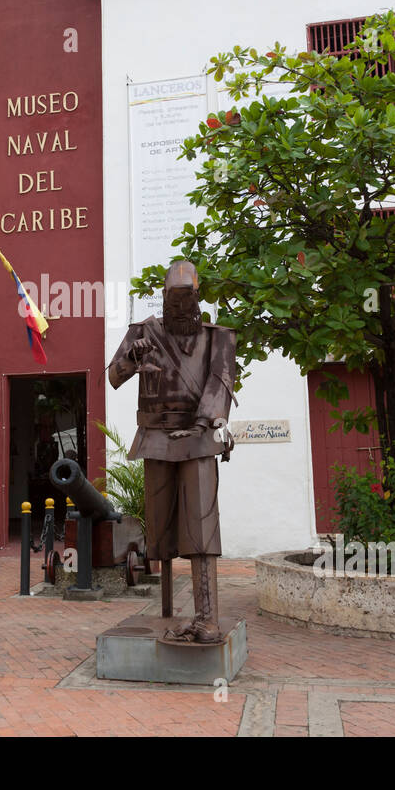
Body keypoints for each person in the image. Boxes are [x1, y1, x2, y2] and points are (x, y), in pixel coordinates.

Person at [108, 260, 236, 643]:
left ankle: (208, 619)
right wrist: (134, 356)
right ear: (163, 298)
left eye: (187, 299)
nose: (180, 308)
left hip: (197, 438)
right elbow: (114, 376)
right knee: (159, 527)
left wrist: (206, 421)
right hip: (156, 437)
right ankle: (166, 610)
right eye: (173, 300)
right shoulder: (143, 331)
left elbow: (221, 379)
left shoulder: (219, 337)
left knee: (202, 525)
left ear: (198, 298)